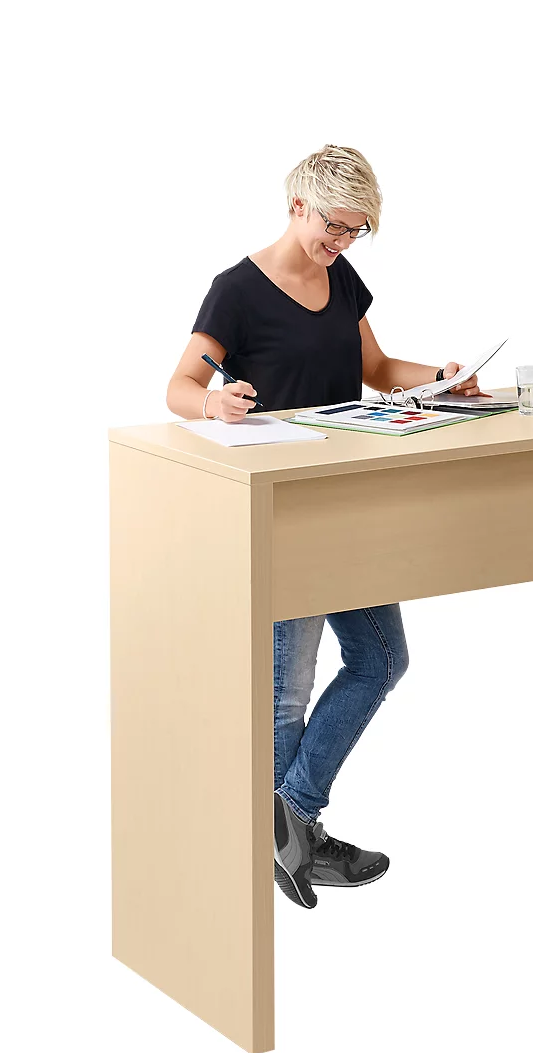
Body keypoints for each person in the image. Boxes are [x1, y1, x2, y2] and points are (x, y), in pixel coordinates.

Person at [166, 144, 487, 911]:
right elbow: (180, 385)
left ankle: (288, 825)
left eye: (356, 230)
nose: (341, 242)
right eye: (333, 226)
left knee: (382, 659)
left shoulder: (341, 279)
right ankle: (285, 842)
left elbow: (377, 369)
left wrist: (442, 380)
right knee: (288, 690)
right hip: (284, 505)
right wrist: (213, 403)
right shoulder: (236, 291)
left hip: (349, 498)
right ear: (297, 207)